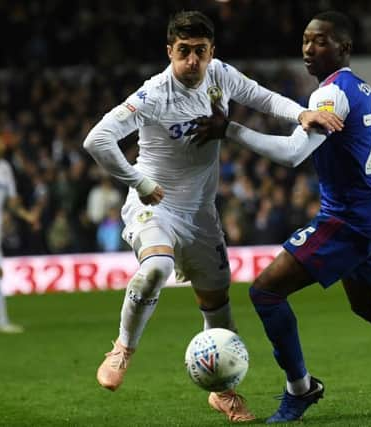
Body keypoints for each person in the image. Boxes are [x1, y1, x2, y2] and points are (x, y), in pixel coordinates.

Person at [193, 11, 371, 423]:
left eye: (320, 41)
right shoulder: (366, 91)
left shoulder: (330, 95)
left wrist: (229, 129)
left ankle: (300, 389)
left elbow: (292, 154)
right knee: (370, 305)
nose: (308, 48)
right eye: (305, 39)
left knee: (265, 292)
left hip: (348, 220)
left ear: (345, 48)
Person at [82, 10, 342, 423]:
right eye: (183, 51)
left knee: (218, 309)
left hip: (201, 216)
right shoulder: (153, 95)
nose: (192, 61)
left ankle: (223, 392)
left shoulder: (219, 75)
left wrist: (300, 114)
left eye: (200, 51)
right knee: (156, 267)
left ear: (211, 51)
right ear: (170, 51)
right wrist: (138, 181)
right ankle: (123, 348)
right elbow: (97, 139)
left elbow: (261, 96)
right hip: (154, 207)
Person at [0, 131, 39, 333]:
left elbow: (12, 202)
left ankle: (2, 321)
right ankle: (2, 322)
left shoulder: (5, 168)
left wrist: (27, 216)